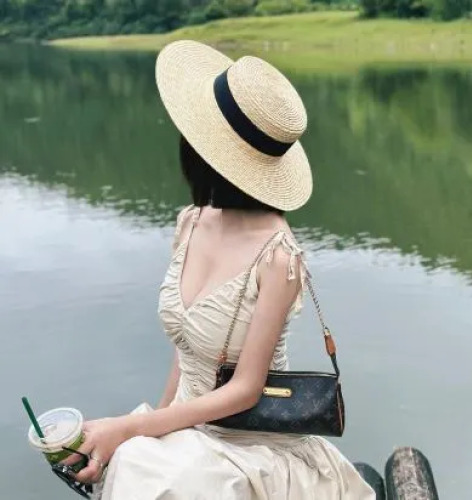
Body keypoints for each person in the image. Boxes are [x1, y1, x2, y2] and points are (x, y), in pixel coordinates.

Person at [60, 40, 376, 499]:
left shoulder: (278, 257)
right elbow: (186, 347)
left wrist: (131, 428)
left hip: (246, 440)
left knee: (151, 469)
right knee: (134, 460)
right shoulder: (191, 223)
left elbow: (246, 390)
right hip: (185, 423)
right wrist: (149, 429)